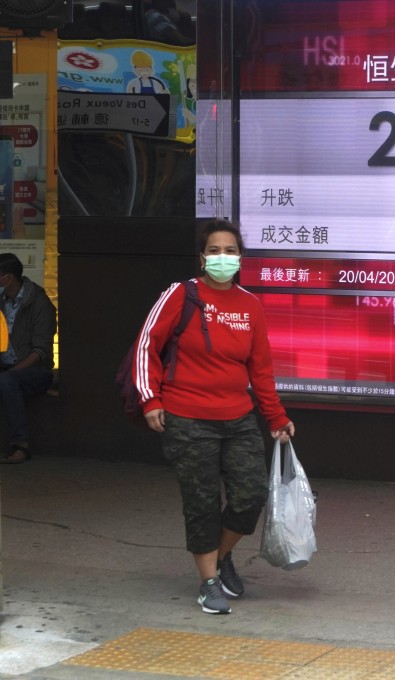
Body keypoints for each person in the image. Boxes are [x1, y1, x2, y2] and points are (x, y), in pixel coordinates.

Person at [133, 219, 295, 615]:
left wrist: (276, 417)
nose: (223, 257)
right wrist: (150, 399)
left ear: (241, 257)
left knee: (250, 495)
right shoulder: (180, 295)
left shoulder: (251, 305)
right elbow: (147, 346)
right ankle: (208, 583)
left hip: (237, 418)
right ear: (202, 257)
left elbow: (261, 369)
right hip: (187, 418)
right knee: (202, 502)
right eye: (215, 250)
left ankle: (221, 557)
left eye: (230, 250)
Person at [0, 253, 57, 464]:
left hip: (36, 371)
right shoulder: (2, 303)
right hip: (6, 366)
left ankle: (21, 445)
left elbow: (40, 350)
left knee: (7, 381)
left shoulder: (38, 302)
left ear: (7, 278)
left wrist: (14, 371)